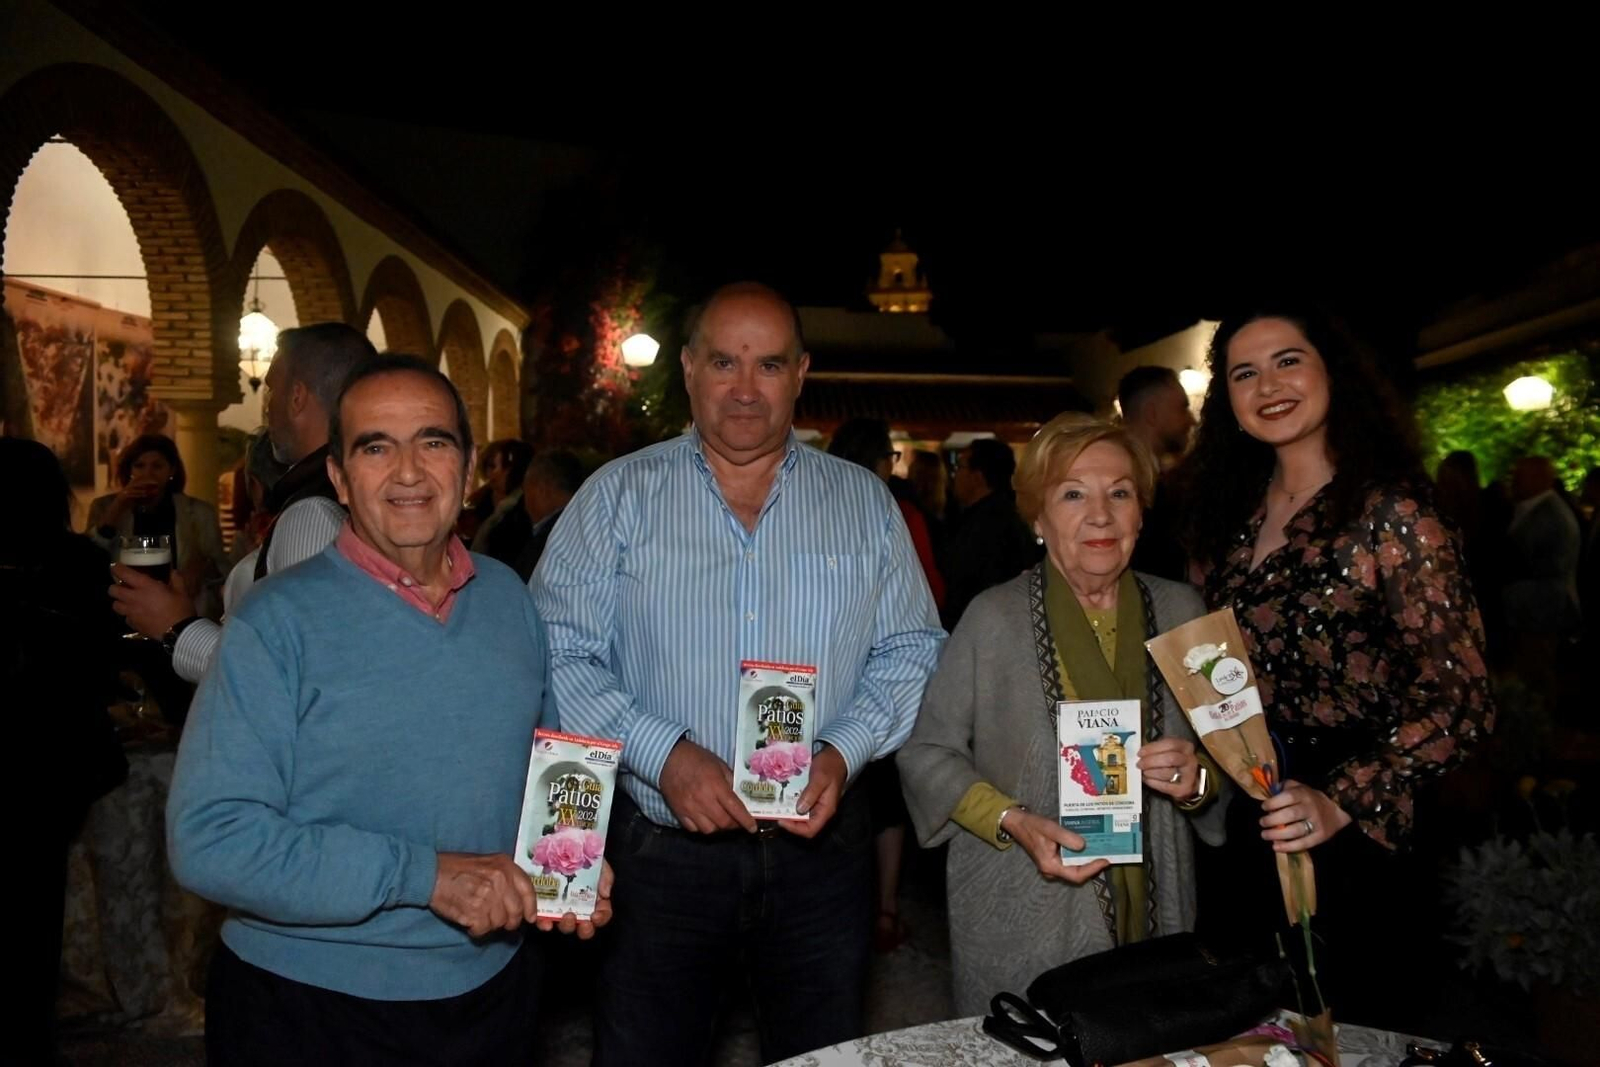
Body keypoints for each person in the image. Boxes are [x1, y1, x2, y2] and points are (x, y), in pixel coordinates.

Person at [531, 282, 944, 1065]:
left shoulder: (863, 504)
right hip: (661, 855)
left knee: (820, 1054)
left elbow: (914, 648)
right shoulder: (615, 498)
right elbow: (556, 647)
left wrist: (844, 748)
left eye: (769, 364)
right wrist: (663, 752)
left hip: (822, 855)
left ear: (800, 373)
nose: (746, 388)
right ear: (688, 368)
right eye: (724, 361)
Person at [167, 354, 608, 1063]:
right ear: (339, 477)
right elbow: (210, 839)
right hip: (309, 1005)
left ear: (466, 468)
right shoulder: (275, 622)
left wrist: (572, 859)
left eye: (432, 441)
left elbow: (546, 768)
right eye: (376, 446)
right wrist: (427, 875)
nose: (408, 471)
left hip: (493, 991)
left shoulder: (508, 599)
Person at [1182, 307, 1493, 1027]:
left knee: (1353, 1028)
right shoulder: (1229, 517)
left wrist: (1340, 798)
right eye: (1244, 372)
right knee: (1250, 1033)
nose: (1268, 385)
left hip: (1362, 830)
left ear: (1333, 374)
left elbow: (1463, 702)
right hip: (1255, 813)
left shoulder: (1394, 512)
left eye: (1289, 360)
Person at [898, 413, 1223, 1015]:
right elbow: (926, 753)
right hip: (1021, 902)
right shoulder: (991, 619)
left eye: (1119, 493)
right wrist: (1013, 819)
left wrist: (1197, 780)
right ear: (1038, 519)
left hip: (1159, 912)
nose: (1099, 515)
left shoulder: (1186, 613)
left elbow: (1233, 767)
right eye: (1073, 494)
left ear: (1141, 513)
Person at [109, 323, 375, 682]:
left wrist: (177, 628)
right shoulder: (356, 491)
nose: (267, 407)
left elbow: (292, 672)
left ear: (297, 397)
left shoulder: (313, 511)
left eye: (271, 389)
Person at [5, 438, 127, 1062]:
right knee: (36, 906)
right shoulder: (79, 563)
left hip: (35, 756)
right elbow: (107, 655)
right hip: (52, 761)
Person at [827, 417, 945, 953]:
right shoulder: (897, 512)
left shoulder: (812, 507)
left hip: (832, 687)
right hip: (884, 684)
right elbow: (931, 593)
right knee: (883, 801)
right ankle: (884, 907)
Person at [87, 433, 226, 612]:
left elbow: (221, 567)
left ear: (171, 471)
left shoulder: (198, 512)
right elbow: (90, 556)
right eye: (139, 466)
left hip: (178, 606)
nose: (148, 474)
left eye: (157, 466)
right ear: (130, 470)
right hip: (121, 606)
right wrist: (119, 504)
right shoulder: (105, 506)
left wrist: (201, 566)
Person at [943, 437, 1041, 626]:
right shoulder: (998, 514)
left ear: (977, 476)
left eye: (960, 467)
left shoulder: (990, 524)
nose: (955, 475)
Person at [1117, 366, 1195, 581]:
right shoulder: (1122, 482)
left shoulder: (1161, 478)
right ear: (1152, 413)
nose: (1192, 420)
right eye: (1183, 408)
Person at [492, 448, 585, 582]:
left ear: (542, 490)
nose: (525, 503)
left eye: (526, 490)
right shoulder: (589, 526)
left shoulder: (548, 543)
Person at [460, 438, 534, 545]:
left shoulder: (523, 506)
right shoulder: (482, 499)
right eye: (489, 466)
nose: (492, 474)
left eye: (496, 466)